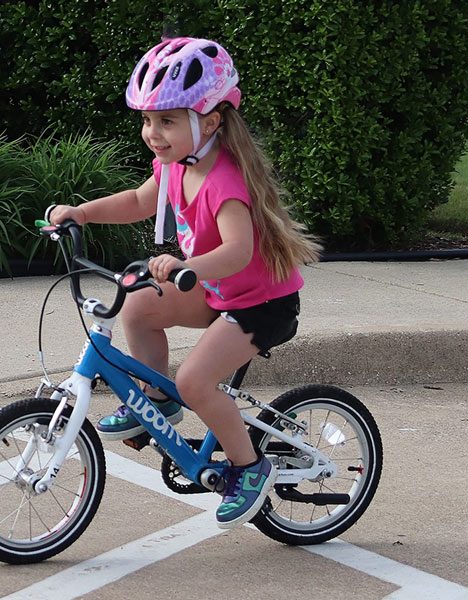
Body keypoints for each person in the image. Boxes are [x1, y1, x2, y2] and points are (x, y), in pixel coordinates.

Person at [49, 37, 322, 529]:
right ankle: (159, 402)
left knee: (196, 380)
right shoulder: (176, 165)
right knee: (137, 308)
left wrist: (181, 266)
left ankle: (250, 467)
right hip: (218, 290)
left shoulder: (224, 183)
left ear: (211, 121)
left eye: (168, 120)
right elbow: (137, 200)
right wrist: (80, 214)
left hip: (261, 303)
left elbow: (238, 252)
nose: (153, 132)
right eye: (148, 120)